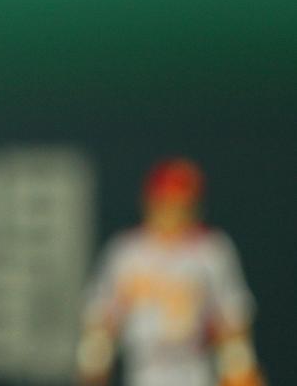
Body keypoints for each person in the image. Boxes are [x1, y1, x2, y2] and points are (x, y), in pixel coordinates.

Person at [76, 158, 265, 386]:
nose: (171, 211)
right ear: (150, 201)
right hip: (143, 370)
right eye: (165, 201)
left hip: (194, 370)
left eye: (179, 203)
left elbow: (232, 322)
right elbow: (101, 323)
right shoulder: (126, 252)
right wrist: (93, 369)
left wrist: (239, 365)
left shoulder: (211, 251)